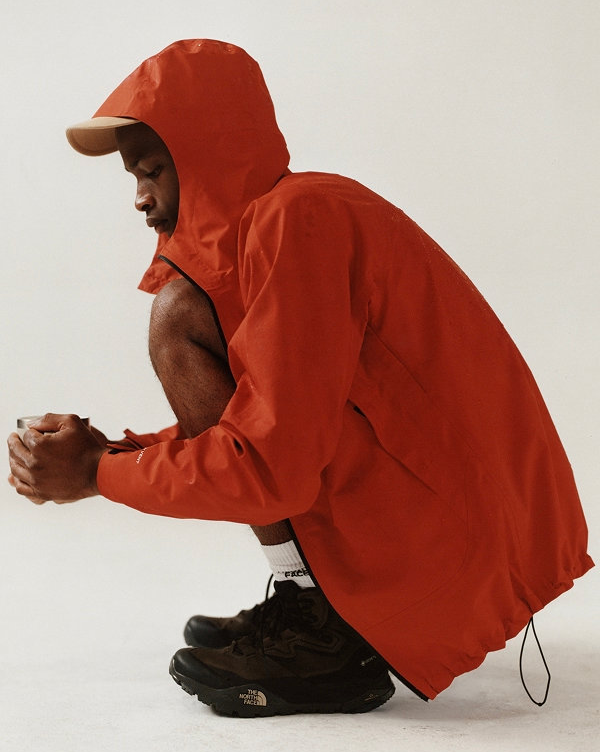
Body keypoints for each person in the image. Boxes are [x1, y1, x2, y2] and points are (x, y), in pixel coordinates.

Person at [7, 39, 594, 717]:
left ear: (206, 155)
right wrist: (108, 453)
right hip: (459, 519)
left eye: (154, 170)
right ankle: (312, 602)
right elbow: (266, 420)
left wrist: (93, 474)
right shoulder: (279, 229)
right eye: (134, 176)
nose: (140, 198)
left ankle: (330, 635)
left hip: (463, 540)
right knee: (184, 310)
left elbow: (267, 464)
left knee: (177, 315)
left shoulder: (300, 221)